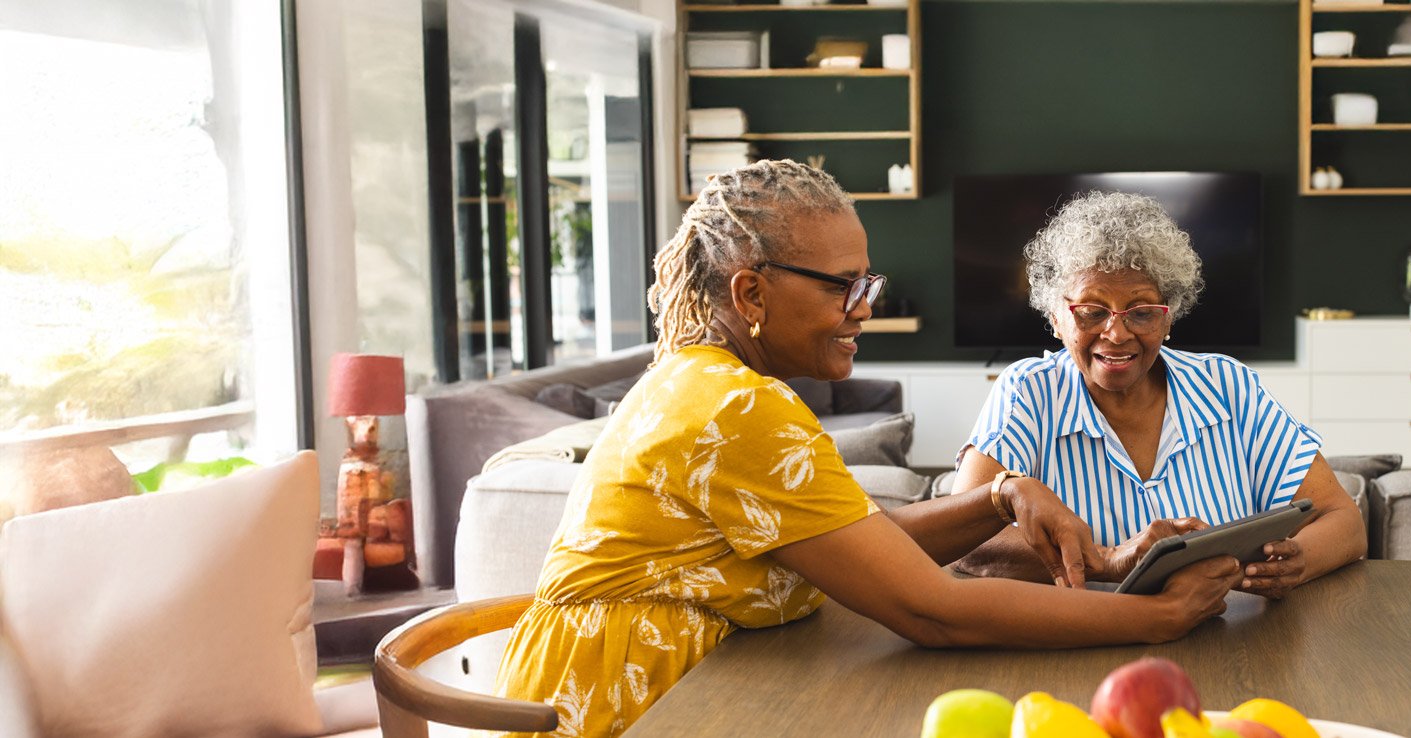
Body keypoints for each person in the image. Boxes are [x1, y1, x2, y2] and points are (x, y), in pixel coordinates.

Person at [493, 161, 1241, 737]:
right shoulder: (735, 405)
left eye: (868, 285)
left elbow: (865, 541)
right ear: (751, 295)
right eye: (843, 288)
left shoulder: (707, 381)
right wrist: (1158, 620)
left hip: (683, 690)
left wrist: (1000, 495)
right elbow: (935, 612)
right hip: (626, 709)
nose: (865, 311)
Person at [954, 191, 1366, 599]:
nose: (1116, 334)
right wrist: (1107, 558)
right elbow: (962, 546)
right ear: (1056, 318)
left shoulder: (1227, 386)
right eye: (1092, 311)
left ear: (1169, 317)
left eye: (1141, 312)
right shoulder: (1028, 392)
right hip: (1084, 651)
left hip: (1230, 643)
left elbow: (1343, 520)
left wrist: (1297, 561)